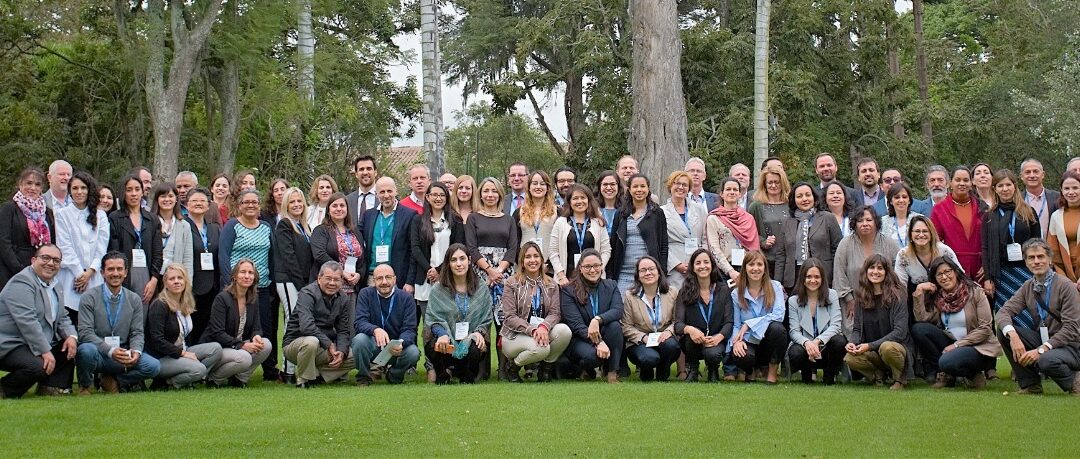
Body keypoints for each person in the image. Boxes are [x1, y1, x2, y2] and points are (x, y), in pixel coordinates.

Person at [996, 239, 1080, 395]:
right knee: (1004, 331)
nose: (1036, 261)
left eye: (1040, 257)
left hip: (1072, 346)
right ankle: (1031, 385)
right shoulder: (1028, 286)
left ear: (1049, 259)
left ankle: (1075, 381)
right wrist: (1013, 336)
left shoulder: (1066, 286)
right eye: (1031, 258)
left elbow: (1071, 329)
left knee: (1045, 360)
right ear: (1026, 262)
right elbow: (1003, 312)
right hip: (1046, 340)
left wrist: (1041, 349)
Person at [75, 251, 160, 394]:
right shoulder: (89, 297)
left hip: (123, 353)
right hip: (100, 353)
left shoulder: (134, 299)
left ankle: (114, 381)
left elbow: (137, 332)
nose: (115, 273)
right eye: (110, 269)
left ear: (126, 272)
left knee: (153, 366)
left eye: (119, 269)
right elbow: (85, 333)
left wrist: (136, 351)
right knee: (85, 350)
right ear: (102, 272)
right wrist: (110, 350)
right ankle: (85, 386)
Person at [0, 245, 78, 397]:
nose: (50, 263)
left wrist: (71, 337)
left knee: (69, 346)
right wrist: (45, 351)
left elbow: (62, 316)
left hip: (29, 343)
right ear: (33, 260)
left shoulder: (56, 284)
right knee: (38, 367)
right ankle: (4, 388)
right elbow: (28, 322)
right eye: (46, 258)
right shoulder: (22, 282)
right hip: (9, 344)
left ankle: (50, 387)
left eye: (56, 260)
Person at [911, 257, 1000, 389]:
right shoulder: (940, 297)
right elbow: (922, 320)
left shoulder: (976, 292)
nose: (944, 277)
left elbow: (985, 328)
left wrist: (957, 345)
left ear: (956, 272)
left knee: (946, 362)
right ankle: (947, 374)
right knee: (919, 329)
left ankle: (970, 373)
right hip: (951, 343)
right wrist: (918, 293)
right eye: (939, 274)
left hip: (976, 346)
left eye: (948, 272)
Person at [218, 189, 276, 381]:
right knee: (237, 327)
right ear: (239, 205)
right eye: (246, 202)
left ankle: (269, 369)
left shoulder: (267, 227)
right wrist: (230, 284)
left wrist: (273, 282)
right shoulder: (232, 226)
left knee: (265, 329)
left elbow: (272, 257)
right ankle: (231, 368)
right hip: (237, 287)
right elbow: (224, 255)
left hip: (262, 286)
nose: (251, 205)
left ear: (259, 205)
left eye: (254, 202)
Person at [466, 177, 518, 379]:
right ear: (480, 194)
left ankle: (504, 369)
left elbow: (513, 248)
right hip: (480, 274)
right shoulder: (473, 218)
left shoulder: (509, 219)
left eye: (494, 191)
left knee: (503, 322)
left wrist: (499, 270)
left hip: (504, 275)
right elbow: (471, 247)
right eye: (486, 191)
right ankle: (482, 369)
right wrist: (489, 270)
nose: (490, 195)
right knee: (481, 320)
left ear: (499, 194)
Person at [499, 242, 571, 382]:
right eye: (528, 257)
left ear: (542, 260)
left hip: (541, 332)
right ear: (522, 261)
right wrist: (533, 330)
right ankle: (513, 367)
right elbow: (510, 317)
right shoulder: (511, 283)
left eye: (536, 256)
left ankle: (545, 369)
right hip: (514, 336)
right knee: (542, 349)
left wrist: (544, 327)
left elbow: (555, 313)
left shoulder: (551, 284)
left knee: (564, 331)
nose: (533, 260)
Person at [144, 264, 223, 389]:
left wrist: (184, 353)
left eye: (180, 278)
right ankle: (167, 382)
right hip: (162, 357)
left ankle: (188, 377)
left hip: (181, 351)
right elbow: (157, 341)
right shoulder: (159, 305)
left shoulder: (185, 303)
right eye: (172, 279)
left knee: (216, 349)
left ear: (185, 281)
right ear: (165, 282)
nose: (176, 282)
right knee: (200, 369)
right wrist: (182, 353)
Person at [425, 244, 494, 384]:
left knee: (476, 345)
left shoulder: (481, 288)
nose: (458, 264)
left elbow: (486, 319)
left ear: (469, 260)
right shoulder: (438, 289)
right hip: (447, 342)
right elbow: (433, 319)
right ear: (448, 264)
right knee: (435, 344)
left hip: (471, 340)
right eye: (453, 260)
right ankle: (443, 376)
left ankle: (467, 377)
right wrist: (442, 334)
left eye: (462, 259)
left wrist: (478, 332)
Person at [282, 261, 357, 388]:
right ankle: (304, 380)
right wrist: (328, 344)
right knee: (311, 341)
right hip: (297, 344)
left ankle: (318, 375)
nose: (332, 283)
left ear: (342, 281)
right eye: (328, 279)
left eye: (336, 280)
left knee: (356, 353)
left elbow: (343, 330)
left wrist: (341, 351)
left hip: (323, 349)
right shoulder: (307, 293)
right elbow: (306, 326)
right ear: (319, 278)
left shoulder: (343, 298)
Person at [843, 254, 912, 389]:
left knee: (887, 347)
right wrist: (852, 343)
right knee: (849, 358)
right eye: (872, 268)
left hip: (895, 348)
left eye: (880, 268)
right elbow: (857, 329)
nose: (875, 272)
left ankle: (899, 379)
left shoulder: (898, 295)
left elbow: (900, 332)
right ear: (866, 271)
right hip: (873, 351)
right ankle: (877, 376)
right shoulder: (861, 296)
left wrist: (869, 345)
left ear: (887, 272)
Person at [200, 259, 272, 388]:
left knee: (266, 345)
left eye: (250, 273)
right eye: (242, 272)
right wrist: (242, 345)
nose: (246, 276)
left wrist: (256, 336)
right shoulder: (222, 298)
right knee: (244, 357)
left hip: (237, 347)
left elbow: (257, 327)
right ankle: (213, 379)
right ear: (234, 276)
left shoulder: (253, 298)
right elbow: (217, 333)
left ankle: (239, 379)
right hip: (218, 348)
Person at [833, 205, 900, 335]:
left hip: (885, 301)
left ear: (876, 221)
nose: (864, 224)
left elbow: (898, 272)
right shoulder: (845, 244)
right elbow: (839, 274)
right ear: (854, 224)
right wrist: (849, 300)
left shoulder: (889, 243)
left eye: (869, 220)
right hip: (854, 301)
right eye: (860, 220)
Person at [560, 249, 624, 383]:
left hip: (605, 332)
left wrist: (597, 320)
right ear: (580, 269)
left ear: (601, 266)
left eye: (596, 265)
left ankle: (612, 372)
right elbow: (576, 325)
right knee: (592, 357)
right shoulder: (568, 290)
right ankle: (586, 369)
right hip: (580, 338)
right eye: (587, 267)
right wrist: (598, 342)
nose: (592, 270)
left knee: (615, 326)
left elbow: (618, 310)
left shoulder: (611, 285)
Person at [351, 264, 420, 385]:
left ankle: (394, 375)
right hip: (374, 344)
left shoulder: (406, 298)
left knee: (413, 352)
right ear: (374, 280)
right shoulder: (365, 294)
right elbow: (359, 322)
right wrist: (375, 330)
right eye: (379, 278)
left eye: (388, 277)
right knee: (359, 340)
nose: (384, 282)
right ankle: (363, 377)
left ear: (394, 279)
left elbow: (410, 329)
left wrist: (401, 343)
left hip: (396, 347)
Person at [55, 171, 109, 324]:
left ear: (89, 190)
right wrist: (80, 275)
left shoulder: (100, 215)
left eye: (83, 188)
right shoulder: (62, 214)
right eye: (75, 188)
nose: (79, 192)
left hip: (94, 276)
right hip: (71, 277)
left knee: (92, 321)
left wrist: (90, 272)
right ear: (70, 191)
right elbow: (64, 246)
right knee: (70, 320)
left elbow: (102, 248)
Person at [983, 169, 1040, 311]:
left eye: (1008, 185)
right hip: (1001, 274)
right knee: (1006, 312)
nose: (1005, 189)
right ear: (994, 189)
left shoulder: (1029, 212)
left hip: (1026, 271)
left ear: (1014, 186)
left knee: (1029, 311)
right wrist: (987, 277)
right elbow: (985, 248)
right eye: (1000, 186)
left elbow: (1037, 244)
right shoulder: (989, 216)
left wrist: (1037, 271)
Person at [409, 182, 465, 325]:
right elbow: (415, 248)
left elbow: (458, 247)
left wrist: (440, 270)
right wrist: (430, 270)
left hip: (450, 277)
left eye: (442, 195)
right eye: (434, 194)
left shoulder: (455, 220)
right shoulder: (418, 220)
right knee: (429, 326)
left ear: (447, 198)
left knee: (451, 323)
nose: (438, 198)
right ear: (427, 197)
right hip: (426, 279)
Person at [272, 186, 313, 383]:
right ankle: (287, 370)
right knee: (292, 322)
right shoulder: (284, 225)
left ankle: (293, 367)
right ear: (285, 205)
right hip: (288, 280)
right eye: (292, 202)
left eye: (299, 201)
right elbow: (288, 257)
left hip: (301, 282)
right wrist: (301, 284)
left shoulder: (304, 226)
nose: (296, 205)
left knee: (298, 322)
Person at [729, 250, 787, 384]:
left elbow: (779, 315)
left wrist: (749, 323)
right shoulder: (736, 293)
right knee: (741, 355)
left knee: (778, 329)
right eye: (751, 265)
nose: (755, 268)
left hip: (768, 340)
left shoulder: (775, 287)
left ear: (765, 268)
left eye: (759, 265)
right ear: (745, 268)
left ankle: (772, 374)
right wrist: (736, 342)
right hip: (749, 339)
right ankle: (750, 372)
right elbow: (736, 324)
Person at [675, 249, 733, 382]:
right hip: (694, 341)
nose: (702, 266)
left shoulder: (723, 290)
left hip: (716, 339)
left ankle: (713, 370)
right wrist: (690, 329)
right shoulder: (684, 291)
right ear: (693, 268)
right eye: (698, 263)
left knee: (712, 354)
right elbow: (678, 324)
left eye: (706, 262)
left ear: (712, 265)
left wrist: (719, 337)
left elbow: (729, 321)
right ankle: (693, 370)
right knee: (689, 338)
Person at [774, 182, 842, 293]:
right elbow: (781, 254)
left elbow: (838, 250)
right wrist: (777, 283)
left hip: (823, 277)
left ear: (814, 197)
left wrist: (837, 278)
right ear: (794, 200)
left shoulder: (828, 218)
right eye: (799, 196)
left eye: (808, 195)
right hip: (794, 279)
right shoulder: (787, 222)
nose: (804, 199)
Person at [786, 259, 845, 384]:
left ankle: (829, 376)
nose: (813, 280)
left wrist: (818, 341)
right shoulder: (793, 301)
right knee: (795, 352)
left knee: (839, 342)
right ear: (802, 278)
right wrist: (807, 343)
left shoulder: (832, 295)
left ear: (822, 278)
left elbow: (836, 326)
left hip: (826, 348)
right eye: (809, 277)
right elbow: (794, 332)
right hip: (805, 349)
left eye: (817, 277)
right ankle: (806, 377)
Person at [621, 256, 679, 382]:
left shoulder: (672, 292)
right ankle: (646, 373)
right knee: (649, 359)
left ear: (658, 272)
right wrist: (643, 338)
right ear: (638, 275)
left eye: (651, 269)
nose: (648, 273)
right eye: (643, 270)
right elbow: (626, 326)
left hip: (664, 339)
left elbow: (677, 320)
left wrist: (668, 332)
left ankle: (662, 375)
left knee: (672, 346)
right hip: (640, 342)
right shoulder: (630, 296)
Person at [609, 174, 668, 293]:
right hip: (624, 273)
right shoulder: (620, 214)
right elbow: (613, 244)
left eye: (643, 186)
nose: (639, 190)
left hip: (649, 273)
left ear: (648, 189)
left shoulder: (657, 213)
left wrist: (662, 272)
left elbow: (663, 245)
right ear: (629, 190)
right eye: (635, 186)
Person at [108, 174, 162, 305]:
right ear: (123, 193)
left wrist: (154, 279)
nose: (133, 194)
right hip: (123, 274)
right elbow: (113, 251)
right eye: (129, 190)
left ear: (142, 192)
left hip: (147, 273)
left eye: (137, 189)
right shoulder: (115, 218)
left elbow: (158, 252)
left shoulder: (152, 219)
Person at [1, 167, 56, 290]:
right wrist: (20, 270)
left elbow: (52, 243)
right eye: (29, 183)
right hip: (12, 271)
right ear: (20, 184)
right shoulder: (9, 208)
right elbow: (4, 243)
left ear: (42, 189)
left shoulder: (47, 213)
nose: (33, 188)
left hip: (40, 272)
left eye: (37, 184)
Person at [931, 165, 986, 282]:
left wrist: (988, 265)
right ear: (950, 183)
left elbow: (991, 240)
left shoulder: (983, 207)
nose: (962, 183)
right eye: (958, 180)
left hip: (980, 269)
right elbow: (935, 242)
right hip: (952, 267)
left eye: (966, 180)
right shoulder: (939, 209)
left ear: (971, 183)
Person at [360, 177, 417, 291]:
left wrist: (410, 282)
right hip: (373, 277)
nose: (386, 195)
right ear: (376, 194)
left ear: (396, 191)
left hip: (398, 279)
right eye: (382, 192)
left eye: (389, 191)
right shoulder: (368, 216)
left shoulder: (409, 215)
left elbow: (413, 251)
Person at [550, 184, 611, 286]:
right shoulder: (560, 222)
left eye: (583, 198)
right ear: (569, 201)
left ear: (589, 200)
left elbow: (606, 250)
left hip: (593, 278)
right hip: (566, 279)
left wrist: (597, 269)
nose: (579, 201)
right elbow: (553, 252)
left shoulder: (598, 222)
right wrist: (561, 276)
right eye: (575, 198)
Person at [705, 177, 760, 281]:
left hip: (747, 269)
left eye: (735, 190)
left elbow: (754, 248)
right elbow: (714, 249)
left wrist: (751, 268)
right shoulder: (714, 218)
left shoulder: (748, 218)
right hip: (723, 272)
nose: (732, 192)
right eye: (728, 189)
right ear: (721, 193)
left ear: (740, 194)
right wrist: (730, 271)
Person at [310, 192, 365, 296]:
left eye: (342, 205)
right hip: (329, 289)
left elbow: (363, 259)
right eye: (334, 206)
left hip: (352, 289)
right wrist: (341, 272)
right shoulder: (321, 230)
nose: (339, 209)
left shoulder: (355, 232)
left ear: (347, 209)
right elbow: (319, 254)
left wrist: (359, 275)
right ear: (328, 210)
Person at [184, 188, 220, 345]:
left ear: (208, 205)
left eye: (202, 201)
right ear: (187, 204)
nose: (198, 203)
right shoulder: (182, 225)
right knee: (190, 326)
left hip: (212, 286)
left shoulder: (214, 228)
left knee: (207, 326)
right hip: (192, 285)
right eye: (194, 201)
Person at [661, 171, 707, 291]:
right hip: (675, 267)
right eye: (677, 183)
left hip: (697, 265)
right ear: (670, 186)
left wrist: (703, 261)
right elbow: (660, 243)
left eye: (684, 185)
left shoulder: (699, 209)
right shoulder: (661, 212)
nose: (681, 187)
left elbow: (705, 238)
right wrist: (676, 264)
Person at [747, 165, 792, 278]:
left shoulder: (791, 204)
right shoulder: (756, 206)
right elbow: (748, 233)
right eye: (770, 182)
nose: (773, 185)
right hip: (767, 261)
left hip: (788, 261)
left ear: (783, 183)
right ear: (764, 184)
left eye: (777, 182)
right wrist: (763, 241)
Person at [150, 183, 193, 279]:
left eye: (170, 196)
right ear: (157, 199)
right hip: (153, 276)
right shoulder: (149, 223)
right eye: (163, 196)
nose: (167, 199)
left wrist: (188, 283)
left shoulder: (184, 226)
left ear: (176, 199)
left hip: (175, 278)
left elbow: (188, 258)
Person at [1047, 171, 1080, 287]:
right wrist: (1066, 281)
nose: (1071, 192)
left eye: (1075, 188)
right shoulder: (1056, 216)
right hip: (1067, 280)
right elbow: (1053, 253)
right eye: (1066, 188)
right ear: (1061, 190)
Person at [516, 171, 558, 259]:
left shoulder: (558, 211)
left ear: (547, 188)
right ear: (529, 187)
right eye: (534, 183)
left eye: (542, 184)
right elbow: (515, 241)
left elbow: (560, 242)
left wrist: (549, 265)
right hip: (524, 265)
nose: (538, 187)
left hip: (550, 266)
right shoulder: (519, 212)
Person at [1020, 158, 1060, 240]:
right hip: (1026, 249)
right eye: (1027, 172)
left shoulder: (1057, 198)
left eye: (1035, 171)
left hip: (1053, 249)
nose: (1032, 175)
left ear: (1043, 174)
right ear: (1021, 176)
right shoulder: (1017, 200)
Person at [880, 182, 921, 249]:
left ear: (909, 200)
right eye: (897, 197)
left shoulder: (919, 219)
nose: (901, 200)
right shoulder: (882, 222)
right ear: (890, 201)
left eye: (904, 197)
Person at [346, 155, 379, 227]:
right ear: (356, 174)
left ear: (375, 172)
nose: (365, 172)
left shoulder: (383, 198)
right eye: (361, 169)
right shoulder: (347, 200)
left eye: (369, 169)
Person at [594, 170, 624, 235]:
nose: (609, 188)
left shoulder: (625, 208)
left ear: (618, 186)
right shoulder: (593, 208)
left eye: (612, 184)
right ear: (599, 187)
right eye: (605, 184)